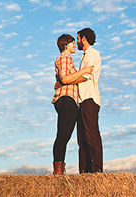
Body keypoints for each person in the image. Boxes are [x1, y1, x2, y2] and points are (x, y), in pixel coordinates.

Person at [51, 34, 93, 175]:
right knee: (63, 136)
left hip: (70, 100)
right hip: (66, 99)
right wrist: (84, 71)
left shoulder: (69, 60)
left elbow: (66, 79)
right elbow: (65, 78)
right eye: (73, 43)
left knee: (64, 136)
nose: (75, 46)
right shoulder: (64, 58)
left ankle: (60, 168)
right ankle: (58, 171)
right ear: (66, 45)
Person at [75, 28, 103, 173]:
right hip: (81, 101)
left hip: (89, 99)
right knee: (82, 140)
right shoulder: (83, 56)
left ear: (84, 38)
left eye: (78, 38)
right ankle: (84, 172)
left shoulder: (93, 53)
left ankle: (96, 170)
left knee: (92, 136)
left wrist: (66, 82)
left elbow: (86, 75)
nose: (77, 41)